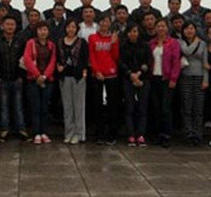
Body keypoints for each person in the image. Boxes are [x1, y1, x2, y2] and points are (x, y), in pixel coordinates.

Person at [0, 15, 29, 142]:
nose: (10, 27)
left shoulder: (20, 40)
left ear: (15, 26)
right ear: (2, 26)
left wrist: (21, 76)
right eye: (7, 24)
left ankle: (21, 129)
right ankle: (4, 130)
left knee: (18, 105)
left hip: (16, 78)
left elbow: (24, 60)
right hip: (2, 79)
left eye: (12, 24)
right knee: (4, 106)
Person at [88, 15, 121, 145]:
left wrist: (114, 43)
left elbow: (115, 57)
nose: (104, 24)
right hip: (97, 75)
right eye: (102, 21)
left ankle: (111, 134)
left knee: (112, 106)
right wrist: (96, 71)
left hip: (111, 75)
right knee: (98, 106)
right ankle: (99, 134)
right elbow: (92, 56)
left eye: (107, 21)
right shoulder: (92, 37)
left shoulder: (113, 37)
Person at [148, 18, 181, 147]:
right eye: (158, 26)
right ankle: (158, 134)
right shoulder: (151, 43)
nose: (161, 28)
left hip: (167, 79)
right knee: (156, 108)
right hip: (154, 78)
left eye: (163, 26)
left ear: (167, 28)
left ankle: (167, 134)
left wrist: (173, 78)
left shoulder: (173, 43)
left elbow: (176, 62)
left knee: (166, 108)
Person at [23, 21, 57, 144]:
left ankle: (44, 132)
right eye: (40, 29)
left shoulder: (52, 45)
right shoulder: (30, 43)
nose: (43, 32)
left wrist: (45, 76)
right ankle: (36, 132)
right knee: (35, 107)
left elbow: (53, 61)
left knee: (45, 107)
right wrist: (37, 75)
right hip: (33, 80)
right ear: (36, 31)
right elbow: (27, 59)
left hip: (47, 80)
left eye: (45, 29)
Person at [119, 24, 153, 147]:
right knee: (129, 108)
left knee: (142, 108)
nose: (133, 34)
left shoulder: (145, 45)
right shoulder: (123, 46)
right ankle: (131, 135)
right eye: (131, 31)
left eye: (135, 31)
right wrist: (130, 74)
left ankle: (141, 135)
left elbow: (148, 61)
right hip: (128, 79)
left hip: (143, 79)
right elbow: (121, 62)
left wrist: (139, 74)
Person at [56, 18, 88, 144]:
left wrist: (84, 71)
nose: (71, 29)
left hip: (78, 77)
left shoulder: (82, 42)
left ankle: (79, 134)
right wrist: (58, 66)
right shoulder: (60, 42)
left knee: (78, 106)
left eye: (73, 27)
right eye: (69, 27)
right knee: (67, 106)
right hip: (64, 77)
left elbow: (85, 58)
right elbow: (57, 58)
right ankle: (69, 133)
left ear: (77, 29)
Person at [179, 21, 209, 145]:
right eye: (186, 29)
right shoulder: (180, 42)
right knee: (186, 106)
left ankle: (198, 134)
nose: (189, 31)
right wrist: (196, 42)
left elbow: (205, 63)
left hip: (199, 77)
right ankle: (188, 133)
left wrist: (206, 80)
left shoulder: (203, 44)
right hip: (185, 77)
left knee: (198, 107)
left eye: (191, 28)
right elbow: (186, 51)